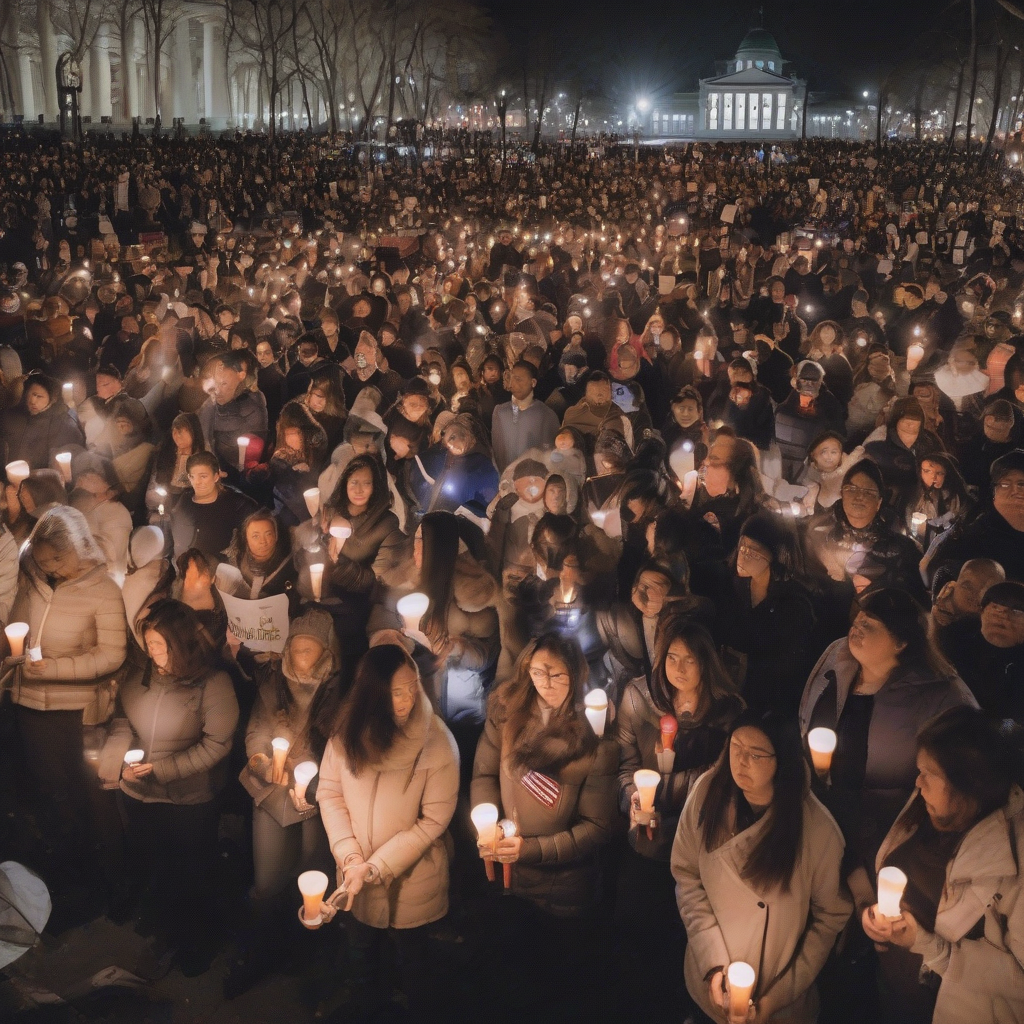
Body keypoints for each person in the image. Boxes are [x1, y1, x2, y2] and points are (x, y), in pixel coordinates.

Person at [671, 710, 852, 1024]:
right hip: (710, 980)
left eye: (755, 755)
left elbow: (830, 917)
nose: (740, 762)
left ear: (782, 761)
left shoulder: (815, 830)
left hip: (776, 995)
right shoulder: (707, 794)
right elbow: (687, 874)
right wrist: (713, 964)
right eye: (736, 749)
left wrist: (778, 996)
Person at [799, 588, 977, 901]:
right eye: (858, 620)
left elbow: (964, 768)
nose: (856, 629)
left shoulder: (937, 694)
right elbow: (806, 710)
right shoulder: (837, 657)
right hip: (822, 810)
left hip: (884, 831)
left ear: (902, 642)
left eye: (870, 626)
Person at [317, 644, 459, 1015]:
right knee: (360, 945)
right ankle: (364, 1004)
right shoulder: (346, 734)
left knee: (412, 955)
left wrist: (377, 867)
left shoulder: (436, 743)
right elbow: (330, 794)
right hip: (355, 870)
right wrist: (350, 857)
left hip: (413, 877)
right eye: (396, 691)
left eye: (412, 686)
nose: (408, 698)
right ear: (372, 693)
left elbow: (434, 820)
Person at [863, 706, 1024, 1024]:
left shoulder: (1013, 856)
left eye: (929, 774)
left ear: (968, 786)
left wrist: (930, 948)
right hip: (895, 994)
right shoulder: (930, 807)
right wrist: (878, 918)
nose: (917, 782)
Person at [8, 506, 128, 903]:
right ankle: (69, 879)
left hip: (77, 713)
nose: (52, 568)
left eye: (58, 559)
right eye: (43, 561)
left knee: (90, 800)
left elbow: (111, 655)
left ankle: (113, 885)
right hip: (30, 706)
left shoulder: (104, 590)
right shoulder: (32, 579)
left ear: (80, 547)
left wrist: (56, 668)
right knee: (51, 796)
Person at [118, 599, 239, 976]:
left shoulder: (212, 683)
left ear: (182, 644)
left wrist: (164, 769)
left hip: (190, 800)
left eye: (160, 645)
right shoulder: (140, 673)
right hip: (140, 795)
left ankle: (199, 940)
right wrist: (120, 761)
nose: (152, 652)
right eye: (149, 644)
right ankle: (167, 930)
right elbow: (121, 720)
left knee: (193, 873)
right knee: (160, 867)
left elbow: (218, 743)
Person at [470, 633, 617, 920]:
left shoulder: (593, 738)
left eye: (557, 675)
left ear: (575, 674)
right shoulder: (507, 716)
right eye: (538, 673)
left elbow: (596, 827)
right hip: (508, 875)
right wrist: (488, 827)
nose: (546, 684)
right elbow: (484, 774)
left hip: (564, 885)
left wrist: (532, 850)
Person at [616, 616, 742, 936]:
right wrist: (633, 797)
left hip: (698, 837)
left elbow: (719, 776)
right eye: (671, 657)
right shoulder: (639, 697)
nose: (679, 668)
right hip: (644, 835)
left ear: (706, 662)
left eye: (689, 659)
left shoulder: (727, 712)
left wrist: (658, 791)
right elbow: (626, 762)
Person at [727, 511, 816, 716]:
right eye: (743, 546)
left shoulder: (793, 603)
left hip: (770, 700)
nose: (744, 554)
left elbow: (788, 665)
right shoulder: (734, 585)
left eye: (754, 549)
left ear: (774, 555)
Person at [168, 450, 258, 564]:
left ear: (216, 477)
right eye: (193, 477)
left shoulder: (235, 503)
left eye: (203, 476)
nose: (197, 482)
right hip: (186, 566)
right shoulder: (185, 501)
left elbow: (259, 525)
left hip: (221, 568)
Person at [197, 351, 268, 479]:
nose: (218, 390)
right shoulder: (209, 406)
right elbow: (203, 438)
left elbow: (258, 442)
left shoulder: (252, 404)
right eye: (216, 383)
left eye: (224, 384)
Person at [1, 372, 84, 469]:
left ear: (52, 399)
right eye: (30, 394)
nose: (32, 401)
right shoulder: (11, 415)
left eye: (39, 396)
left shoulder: (63, 424)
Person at [490, 360, 560, 472]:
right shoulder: (500, 412)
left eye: (518, 379)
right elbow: (498, 451)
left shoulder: (546, 414)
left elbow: (549, 453)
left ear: (533, 382)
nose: (513, 383)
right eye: (512, 378)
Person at [219, 508, 298, 602]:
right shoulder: (235, 561)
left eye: (268, 534)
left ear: (276, 536)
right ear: (246, 539)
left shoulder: (291, 565)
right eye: (255, 536)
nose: (263, 542)